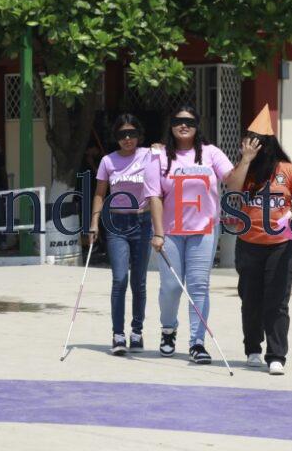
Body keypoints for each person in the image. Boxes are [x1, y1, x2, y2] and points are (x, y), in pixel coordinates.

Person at [144, 104, 235, 364]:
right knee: (171, 287)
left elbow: (232, 178)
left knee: (199, 287)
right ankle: (168, 329)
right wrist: (158, 233)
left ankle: (197, 342)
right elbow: (154, 195)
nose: (184, 125)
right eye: (178, 121)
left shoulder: (211, 153)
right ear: (170, 125)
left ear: (198, 126)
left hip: (204, 231)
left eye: (190, 122)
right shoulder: (158, 156)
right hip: (170, 233)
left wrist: (248, 159)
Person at [226, 104, 292, 375]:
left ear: (269, 144)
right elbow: (232, 189)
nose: (253, 145)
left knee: (277, 300)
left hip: (282, 245)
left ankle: (276, 356)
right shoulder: (245, 170)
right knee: (250, 298)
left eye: (258, 142)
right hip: (249, 243)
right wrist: (246, 159)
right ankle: (252, 348)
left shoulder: (288, 170)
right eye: (249, 141)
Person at [89, 114, 154, 355]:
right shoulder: (108, 161)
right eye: (122, 135)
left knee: (139, 280)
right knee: (119, 279)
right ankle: (118, 334)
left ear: (139, 135)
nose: (127, 139)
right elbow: (99, 193)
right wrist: (94, 222)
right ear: (116, 138)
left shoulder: (150, 155)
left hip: (143, 221)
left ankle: (137, 331)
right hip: (116, 223)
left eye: (132, 134)